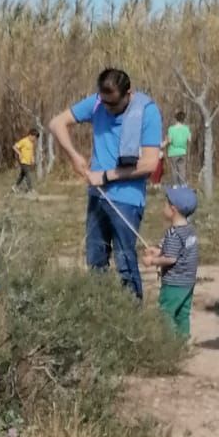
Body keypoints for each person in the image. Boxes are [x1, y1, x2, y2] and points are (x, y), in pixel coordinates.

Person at [48, 69, 163, 299]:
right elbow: (57, 123)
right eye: (105, 102)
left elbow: (150, 163)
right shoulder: (97, 102)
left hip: (127, 201)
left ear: (128, 93)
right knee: (95, 260)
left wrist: (106, 176)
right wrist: (74, 156)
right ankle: (100, 315)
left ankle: (132, 317)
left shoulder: (148, 112)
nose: (108, 108)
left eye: (113, 104)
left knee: (125, 262)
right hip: (97, 197)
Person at [143, 183, 199, 337]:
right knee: (183, 313)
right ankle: (182, 342)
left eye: (165, 203)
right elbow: (178, 251)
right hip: (188, 282)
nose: (163, 206)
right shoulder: (189, 230)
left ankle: (168, 345)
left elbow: (171, 258)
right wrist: (158, 250)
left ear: (173, 209)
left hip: (174, 283)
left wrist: (152, 261)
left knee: (165, 313)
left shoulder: (174, 233)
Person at [164, 114, 191, 185]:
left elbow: (169, 140)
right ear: (183, 119)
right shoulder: (186, 128)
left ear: (176, 119)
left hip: (173, 152)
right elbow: (189, 139)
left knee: (174, 170)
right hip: (182, 152)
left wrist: (165, 140)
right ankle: (182, 184)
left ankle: (175, 185)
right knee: (182, 169)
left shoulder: (171, 129)